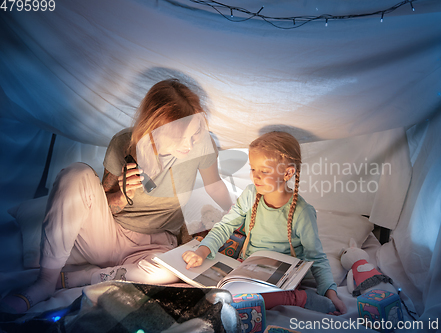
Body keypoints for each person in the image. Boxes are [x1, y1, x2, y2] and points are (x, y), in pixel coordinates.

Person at [0, 79, 233, 314]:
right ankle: (45, 281)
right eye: (182, 137)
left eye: (194, 134)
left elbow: (214, 186)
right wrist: (121, 195)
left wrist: (236, 216)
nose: (190, 144)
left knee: (170, 273)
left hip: (155, 245)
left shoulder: (202, 145)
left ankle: (78, 278)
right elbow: (98, 203)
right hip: (109, 235)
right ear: (157, 127)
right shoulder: (124, 144)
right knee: (76, 173)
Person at [182, 131, 347, 315]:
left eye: (264, 171)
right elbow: (225, 225)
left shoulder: (302, 213)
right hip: (247, 267)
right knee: (209, 288)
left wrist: (331, 294)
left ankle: (300, 298)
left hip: (282, 277)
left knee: (248, 298)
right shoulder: (250, 195)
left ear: (288, 173)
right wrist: (202, 251)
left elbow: (316, 257)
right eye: (253, 169)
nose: (255, 176)